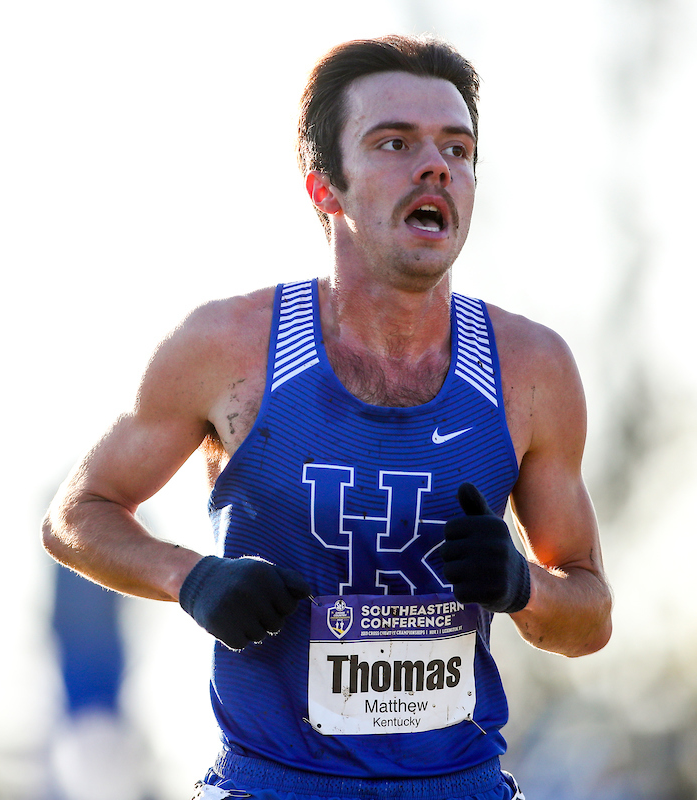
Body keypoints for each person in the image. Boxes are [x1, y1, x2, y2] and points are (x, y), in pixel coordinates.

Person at [41, 34, 612, 799]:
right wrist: (195, 579)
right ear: (324, 189)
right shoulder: (226, 347)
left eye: (458, 147)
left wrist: (522, 585)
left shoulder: (533, 369)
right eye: (395, 142)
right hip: (268, 784)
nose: (436, 165)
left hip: (459, 786)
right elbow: (78, 514)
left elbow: (591, 616)